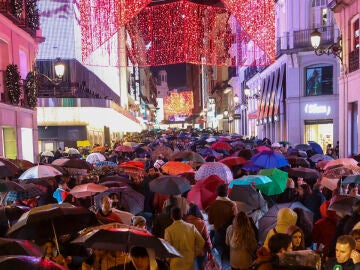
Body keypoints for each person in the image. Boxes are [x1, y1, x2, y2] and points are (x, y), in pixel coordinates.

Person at [206, 184, 237, 262]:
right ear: (227, 193)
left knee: (218, 258)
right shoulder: (233, 205)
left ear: (217, 193)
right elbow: (236, 220)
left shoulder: (213, 205)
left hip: (218, 234)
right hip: (231, 235)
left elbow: (210, 221)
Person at [184, 203, 212, 270]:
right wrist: (210, 250)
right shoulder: (201, 223)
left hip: (188, 251)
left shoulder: (184, 222)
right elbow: (207, 238)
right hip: (200, 252)